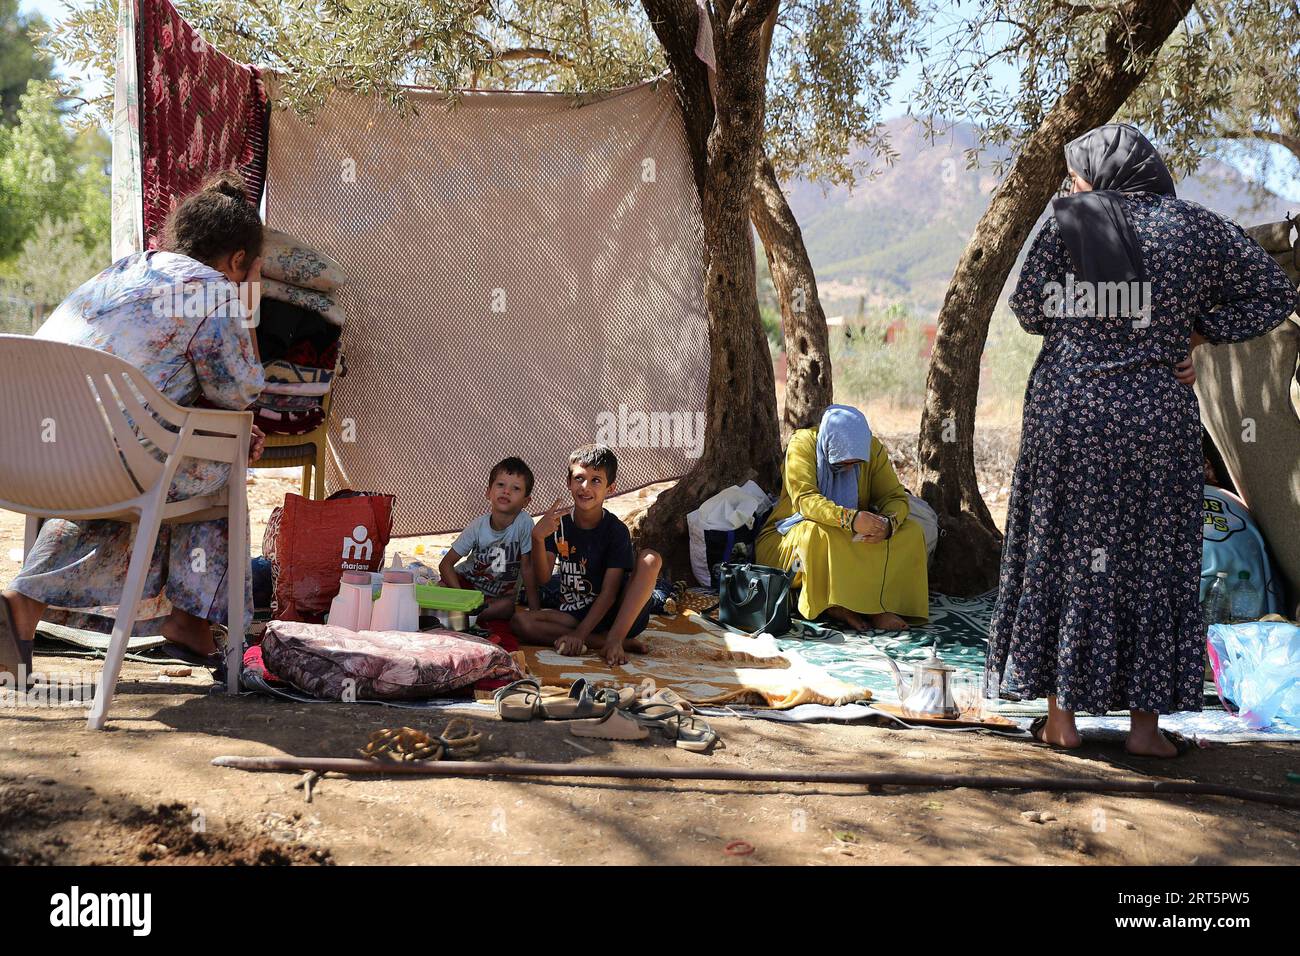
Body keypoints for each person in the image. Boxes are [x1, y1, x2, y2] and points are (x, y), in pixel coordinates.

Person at [985, 124, 1298, 757]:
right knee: (1151, 562)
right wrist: (1196, 334)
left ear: (1100, 175)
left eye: (1078, 174)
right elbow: (1274, 291)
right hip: (1155, 421)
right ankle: (1145, 733)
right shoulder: (1194, 227)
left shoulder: (1067, 224)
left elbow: (1027, 311)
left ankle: (1061, 723)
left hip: (1069, 418)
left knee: (1071, 555)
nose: (1072, 185)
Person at [0, 171, 267, 681]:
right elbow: (239, 392)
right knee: (220, 454)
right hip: (107, 465)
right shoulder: (215, 292)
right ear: (237, 261)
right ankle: (190, 620)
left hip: (26, 456)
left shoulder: (119, 271)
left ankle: (23, 612)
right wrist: (247, 306)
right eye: (254, 269)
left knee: (163, 449)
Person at [755, 403, 929, 631]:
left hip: (853, 532)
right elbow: (806, 501)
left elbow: (894, 496)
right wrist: (850, 519)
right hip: (789, 537)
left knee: (911, 533)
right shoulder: (803, 444)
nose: (849, 468)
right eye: (843, 461)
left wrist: (887, 524)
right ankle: (838, 605)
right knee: (818, 534)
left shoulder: (871, 449)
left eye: (855, 463)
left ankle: (881, 603)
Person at [511, 444, 662, 666]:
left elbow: (610, 593)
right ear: (568, 483)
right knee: (520, 622)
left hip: (619, 613)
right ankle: (607, 642)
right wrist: (538, 538)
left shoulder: (615, 530)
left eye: (596, 480)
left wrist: (580, 635)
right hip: (575, 611)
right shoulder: (558, 524)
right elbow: (543, 579)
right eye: (579, 478)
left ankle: (616, 637)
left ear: (610, 488)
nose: (585, 487)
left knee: (650, 558)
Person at [438, 456, 540, 620]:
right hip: (467, 585)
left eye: (515, 488)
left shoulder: (524, 523)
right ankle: (466, 615)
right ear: (488, 492)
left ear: (526, 501)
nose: (506, 491)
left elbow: (527, 567)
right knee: (441, 587)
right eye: (500, 485)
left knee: (507, 607)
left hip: (496, 598)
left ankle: (464, 618)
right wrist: (462, 597)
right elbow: (445, 565)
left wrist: (535, 612)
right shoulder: (477, 527)